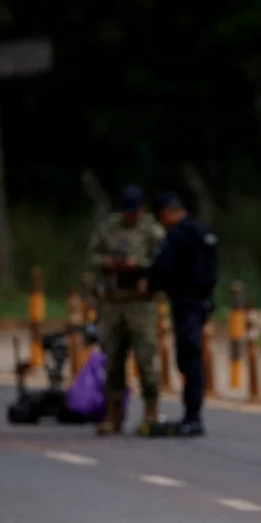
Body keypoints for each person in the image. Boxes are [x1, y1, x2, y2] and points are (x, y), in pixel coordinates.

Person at [87, 185, 166, 435]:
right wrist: (109, 263)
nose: (130, 216)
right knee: (113, 359)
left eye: (134, 211)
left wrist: (140, 267)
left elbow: (164, 262)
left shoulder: (152, 231)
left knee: (145, 359)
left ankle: (151, 410)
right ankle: (113, 413)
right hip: (113, 301)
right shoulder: (109, 228)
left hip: (140, 303)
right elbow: (92, 256)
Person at [148, 192, 218, 437]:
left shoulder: (178, 236)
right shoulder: (201, 232)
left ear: (166, 213)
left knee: (189, 358)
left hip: (186, 304)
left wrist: (150, 285)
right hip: (201, 304)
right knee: (192, 357)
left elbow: (163, 269)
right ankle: (192, 415)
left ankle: (192, 416)